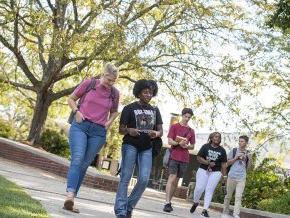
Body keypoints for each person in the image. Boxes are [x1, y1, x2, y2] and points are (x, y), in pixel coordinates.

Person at [63, 63, 120, 213]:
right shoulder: (89, 83)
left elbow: (114, 111)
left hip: (98, 132)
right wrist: (76, 111)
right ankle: (70, 195)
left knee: (84, 165)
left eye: (113, 81)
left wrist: (109, 123)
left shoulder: (114, 93)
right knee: (77, 158)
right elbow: (71, 99)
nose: (110, 83)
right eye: (109, 80)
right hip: (81, 126)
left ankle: (71, 199)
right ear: (103, 75)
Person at [114, 79, 163, 218]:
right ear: (139, 92)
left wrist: (156, 133)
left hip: (147, 147)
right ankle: (120, 211)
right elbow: (121, 129)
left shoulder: (154, 110)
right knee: (125, 177)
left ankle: (129, 206)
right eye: (145, 92)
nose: (148, 95)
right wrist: (129, 130)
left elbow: (161, 131)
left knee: (143, 179)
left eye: (151, 93)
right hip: (130, 145)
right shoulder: (129, 108)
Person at [163, 108, 195, 212]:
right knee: (172, 178)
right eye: (185, 116)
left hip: (184, 158)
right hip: (174, 156)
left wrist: (186, 146)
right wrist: (178, 143)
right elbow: (170, 141)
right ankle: (166, 202)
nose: (187, 119)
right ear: (182, 115)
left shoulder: (191, 131)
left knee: (176, 182)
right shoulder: (174, 126)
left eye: (189, 117)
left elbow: (193, 146)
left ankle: (169, 201)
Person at [190, 132, 227, 217]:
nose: (218, 138)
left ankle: (205, 210)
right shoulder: (205, 147)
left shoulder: (222, 150)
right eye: (216, 137)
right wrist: (208, 163)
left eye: (219, 137)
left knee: (209, 190)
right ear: (211, 138)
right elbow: (198, 158)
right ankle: (196, 202)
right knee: (199, 188)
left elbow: (224, 164)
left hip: (216, 172)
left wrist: (225, 176)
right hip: (203, 170)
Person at [222, 135, 252, 218]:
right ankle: (225, 212)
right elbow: (227, 163)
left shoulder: (248, 153)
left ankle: (236, 214)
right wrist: (236, 158)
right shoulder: (234, 150)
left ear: (246, 143)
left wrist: (248, 159)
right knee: (228, 196)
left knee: (239, 197)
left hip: (241, 177)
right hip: (232, 176)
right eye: (239, 141)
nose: (240, 142)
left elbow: (249, 168)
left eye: (242, 141)